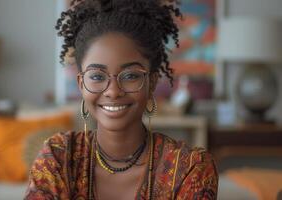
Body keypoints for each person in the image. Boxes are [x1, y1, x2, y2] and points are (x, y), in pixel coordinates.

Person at [24, 0, 218, 199]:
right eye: (98, 76)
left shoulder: (189, 168)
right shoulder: (58, 157)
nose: (113, 91)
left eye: (130, 75)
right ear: (81, 84)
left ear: (151, 82)